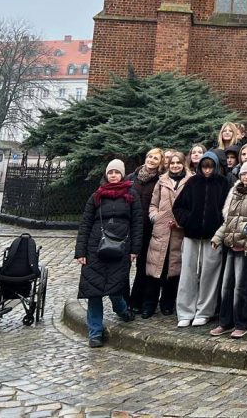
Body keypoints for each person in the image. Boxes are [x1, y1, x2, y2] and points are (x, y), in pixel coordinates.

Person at [74, 159, 143, 348]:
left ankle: (122, 309)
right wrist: (80, 252)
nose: (113, 175)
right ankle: (95, 332)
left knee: (115, 287)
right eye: (110, 172)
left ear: (122, 174)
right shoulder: (96, 196)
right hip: (95, 248)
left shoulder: (131, 195)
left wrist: (135, 250)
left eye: (117, 172)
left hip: (121, 247)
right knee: (93, 291)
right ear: (106, 174)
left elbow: (137, 224)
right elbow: (85, 224)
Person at [210, 161, 247, 338]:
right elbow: (229, 220)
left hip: (246, 249)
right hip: (231, 246)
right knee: (226, 287)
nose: (246, 177)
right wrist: (218, 237)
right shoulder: (236, 192)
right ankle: (225, 322)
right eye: (243, 174)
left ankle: (242, 323)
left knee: (241, 289)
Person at [172, 149, 227, 327]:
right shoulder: (192, 182)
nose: (207, 171)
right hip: (191, 235)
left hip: (213, 237)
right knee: (188, 273)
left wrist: (219, 225)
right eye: (204, 167)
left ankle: (204, 311)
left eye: (210, 167)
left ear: (215, 167)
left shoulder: (222, 183)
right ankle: (185, 312)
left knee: (209, 275)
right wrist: (187, 221)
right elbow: (178, 206)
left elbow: (227, 209)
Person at [145, 149, 188, 317]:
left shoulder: (190, 181)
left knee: (173, 269)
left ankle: (167, 303)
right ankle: (149, 304)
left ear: (183, 164)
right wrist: (155, 217)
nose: (175, 166)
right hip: (161, 230)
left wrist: (181, 222)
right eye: (172, 163)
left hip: (178, 232)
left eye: (178, 163)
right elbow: (153, 204)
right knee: (155, 268)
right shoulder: (161, 181)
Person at [127, 148, 162, 314]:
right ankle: (124, 300)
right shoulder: (131, 178)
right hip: (130, 227)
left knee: (143, 267)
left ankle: (137, 301)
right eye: (150, 156)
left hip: (148, 228)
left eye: (156, 158)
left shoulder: (160, 181)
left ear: (160, 162)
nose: (152, 160)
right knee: (124, 266)